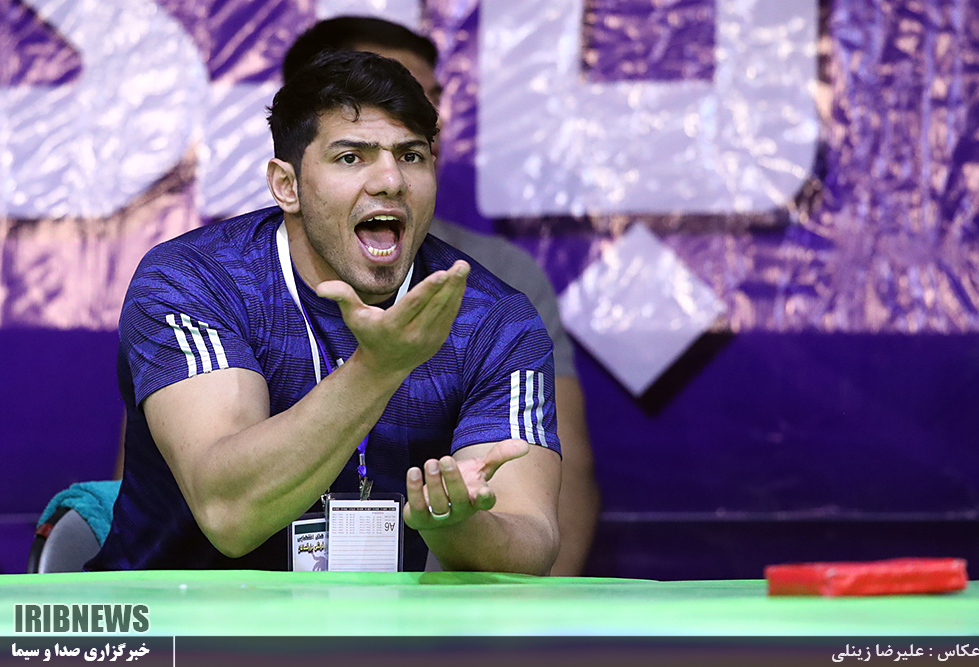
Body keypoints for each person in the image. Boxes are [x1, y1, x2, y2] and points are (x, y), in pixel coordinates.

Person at [87, 50, 561, 574]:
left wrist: (454, 523)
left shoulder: (494, 320)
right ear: (286, 186)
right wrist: (378, 367)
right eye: (351, 157)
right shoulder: (194, 280)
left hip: (376, 625)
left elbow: (532, 540)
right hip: (174, 618)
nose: (391, 181)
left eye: (411, 156)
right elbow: (228, 512)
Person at [283, 16, 600, 576]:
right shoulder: (209, 275)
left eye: (425, 99)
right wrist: (378, 367)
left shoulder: (499, 288)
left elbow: (551, 497)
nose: (417, 117)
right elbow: (174, 478)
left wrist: (465, 534)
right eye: (374, 92)